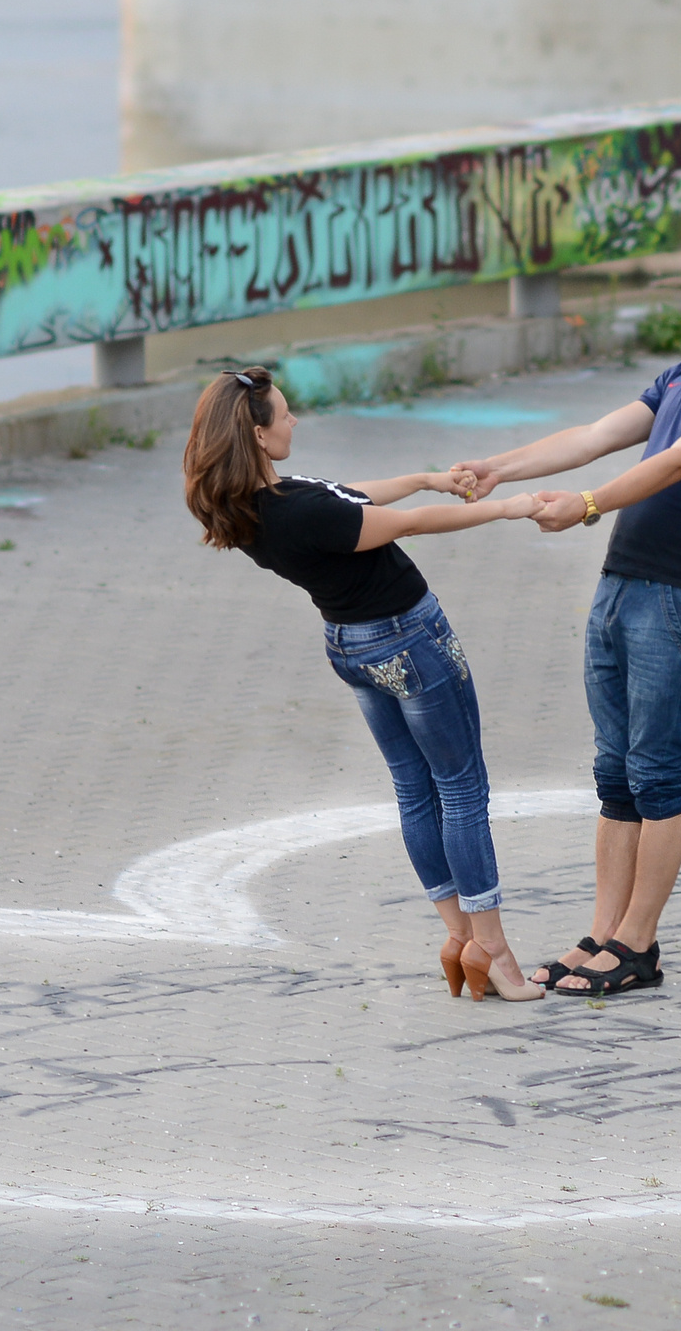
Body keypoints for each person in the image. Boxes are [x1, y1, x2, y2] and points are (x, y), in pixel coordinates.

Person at [451, 228, 681, 996]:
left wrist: (583, 505)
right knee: (615, 772)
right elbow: (596, 435)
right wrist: (497, 466)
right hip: (621, 586)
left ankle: (639, 945)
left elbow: (674, 461)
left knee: (656, 770)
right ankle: (604, 933)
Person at [182, 365, 548, 1002]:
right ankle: (495, 949)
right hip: (409, 641)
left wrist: (426, 476)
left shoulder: (256, 503)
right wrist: (506, 508)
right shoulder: (302, 514)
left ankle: (458, 936)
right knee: (461, 790)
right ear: (259, 435)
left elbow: (348, 495)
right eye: (286, 414)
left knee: (415, 789)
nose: (295, 420)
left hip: (352, 645)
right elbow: (405, 524)